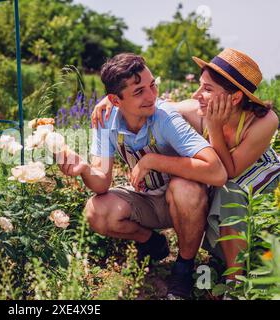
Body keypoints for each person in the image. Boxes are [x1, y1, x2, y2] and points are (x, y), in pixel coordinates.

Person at [91, 48, 280, 291]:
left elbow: (229, 171)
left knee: (230, 193)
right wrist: (110, 99)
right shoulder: (194, 108)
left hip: (256, 172)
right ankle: (214, 261)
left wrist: (213, 125)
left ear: (234, 98)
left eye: (208, 89)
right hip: (219, 173)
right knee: (208, 189)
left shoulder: (265, 121)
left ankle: (235, 282)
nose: (197, 94)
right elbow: (151, 105)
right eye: (200, 85)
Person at [57, 52, 227, 299]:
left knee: (184, 188)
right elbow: (102, 181)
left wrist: (153, 160)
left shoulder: (165, 117)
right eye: (139, 92)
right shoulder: (105, 121)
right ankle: (151, 242)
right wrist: (84, 169)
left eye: (152, 86)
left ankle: (184, 267)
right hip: (146, 200)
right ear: (115, 100)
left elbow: (216, 171)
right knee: (96, 211)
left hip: (183, 202)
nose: (151, 96)